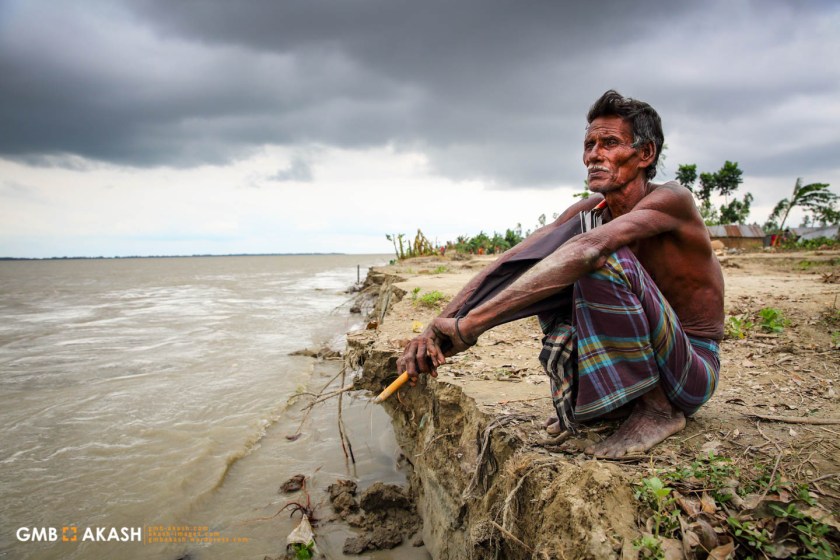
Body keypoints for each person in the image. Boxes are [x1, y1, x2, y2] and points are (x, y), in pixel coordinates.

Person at [397, 90, 724, 458]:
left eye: (610, 143)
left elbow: (589, 251)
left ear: (645, 154)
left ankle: (658, 410)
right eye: (590, 144)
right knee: (546, 264)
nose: (594, 155)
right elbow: (512, 261)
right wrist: (438, 326)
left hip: (689, 370)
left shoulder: (672, 199)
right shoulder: (589, 211)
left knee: (595, 259)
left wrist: (472, 325)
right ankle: (603, 402)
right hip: (645, 359)